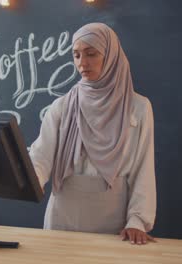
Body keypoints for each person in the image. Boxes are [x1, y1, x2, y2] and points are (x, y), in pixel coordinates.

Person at [29, 23, 156, 245]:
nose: (82, 63)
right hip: (62, 217)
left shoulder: (138, 107)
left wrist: (137, 220)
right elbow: (41, 156)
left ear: (111, 55)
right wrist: (30, 181)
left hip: (113, 221)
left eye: (91, 54)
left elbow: (143, 169)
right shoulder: (61, 106)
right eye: (76, 55)